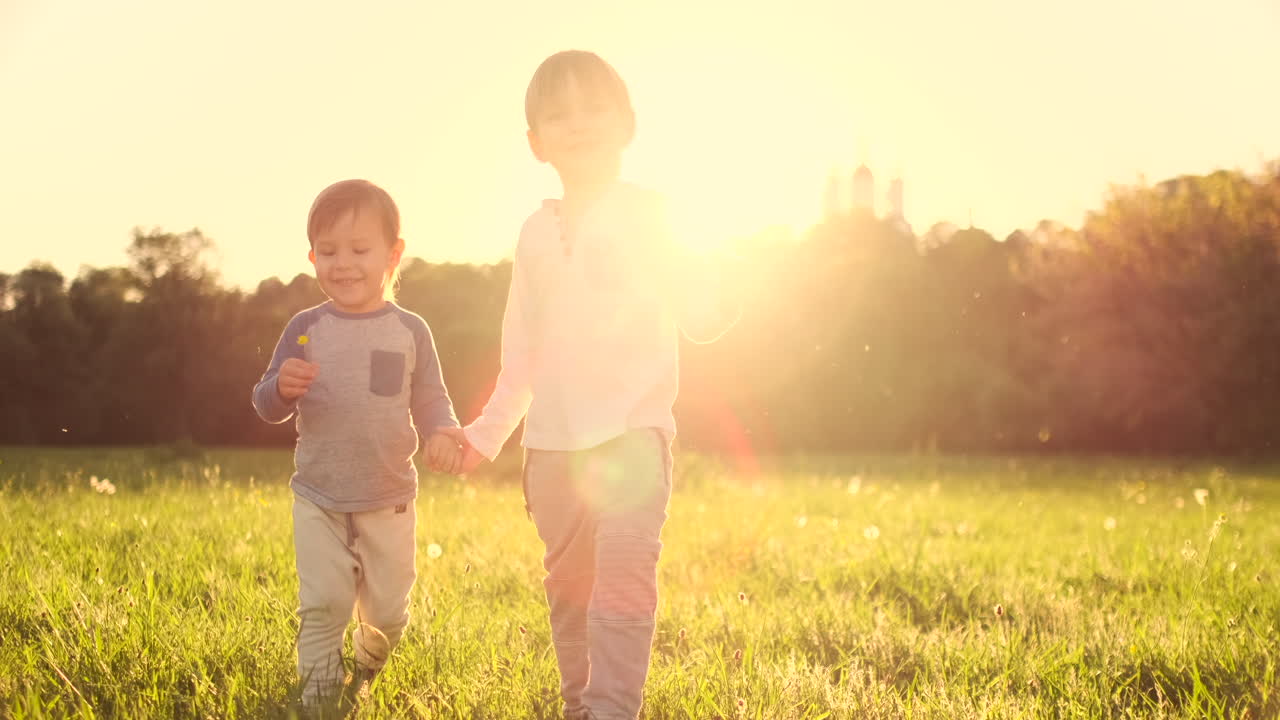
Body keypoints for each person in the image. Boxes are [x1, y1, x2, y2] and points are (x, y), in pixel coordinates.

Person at [440, 50, 740, 720]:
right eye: (559, 113)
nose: (579, 124)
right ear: (535, 142)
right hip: (551, 454)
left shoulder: (653, 215)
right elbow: (520, 354)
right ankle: (581, 704)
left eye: (595, 108)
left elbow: (700, 316)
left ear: (628, 124)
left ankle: (612, 710)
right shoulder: (533, 235)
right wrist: (482, 438)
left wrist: (718, 290)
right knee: (570, 591)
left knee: (624, 585)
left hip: (633, 437)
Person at [251, 178, 463, 710]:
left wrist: (442, 431)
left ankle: (370, 656)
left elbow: (432, 397)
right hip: (319, 496)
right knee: (323, 603)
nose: (342, 263)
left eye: (359, 250)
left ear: (394, 255)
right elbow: (265, 402)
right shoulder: (305, 327)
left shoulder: (410, 330)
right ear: (311, 256)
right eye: (328, 252)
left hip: (388, 498)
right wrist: (281, 387)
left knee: (389, 611)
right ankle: (318, 694)